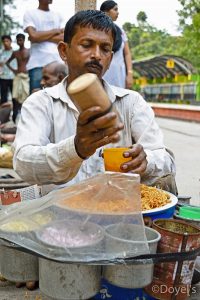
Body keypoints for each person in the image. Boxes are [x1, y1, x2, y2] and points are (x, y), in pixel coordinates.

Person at [13, 10, 176, 195]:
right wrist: (75, 149)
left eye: (105, 49)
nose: (97, 55)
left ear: (110, 58)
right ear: (64, 51)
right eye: (86, 45)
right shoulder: (40, 103)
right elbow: (23, 164)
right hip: (58, 218)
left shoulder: (132, 103)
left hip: (118, 215)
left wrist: (146, 161)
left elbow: (166, 162)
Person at [23, 0, 64, 93]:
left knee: (58, 98)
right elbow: (33, 36)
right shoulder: (30, 13)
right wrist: (55, 31)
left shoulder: (58, 15)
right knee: (36, 99)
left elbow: (64, 37)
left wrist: (39, 36)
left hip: (57, 62)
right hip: (37, 63)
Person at [100, 0, 133, 89]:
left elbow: (127, 54)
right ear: (106, 12)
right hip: (102, 74)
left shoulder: (120, 31)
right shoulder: (98, 30)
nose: (118, 13)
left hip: (119, 76)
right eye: (115, 9)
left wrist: (129, 73)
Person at [6, 33, 30, 123]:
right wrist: (14, 70)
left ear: (24, 40)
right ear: (16, 41)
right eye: (18, 40)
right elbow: (7, 62)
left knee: (26, 96)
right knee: (15, 97)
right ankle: (14, 118)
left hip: (26, 76)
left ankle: (26, 118)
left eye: (21, 40)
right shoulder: (15, 52)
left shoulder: (29, 51)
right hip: (17, 76)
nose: (19, 41)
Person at [0, 35, 17, 106]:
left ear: (10, 41)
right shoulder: (1, 53)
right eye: (4, 41)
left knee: (15, 98)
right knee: (4, 98)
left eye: (7, 41)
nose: (5, 43)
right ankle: (4, 116)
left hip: (14, 78)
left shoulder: (15, 52)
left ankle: (15, 115)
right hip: (3, 77)